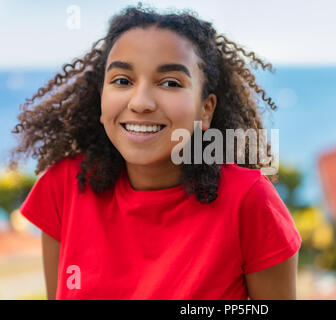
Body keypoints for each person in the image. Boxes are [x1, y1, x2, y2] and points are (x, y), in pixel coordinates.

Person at [8, 4, 301, 300]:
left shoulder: (249, 200)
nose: (141, 102)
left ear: (205, 110)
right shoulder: (64, 185)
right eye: (122, 81)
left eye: (170, 83)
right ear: (101, 98)